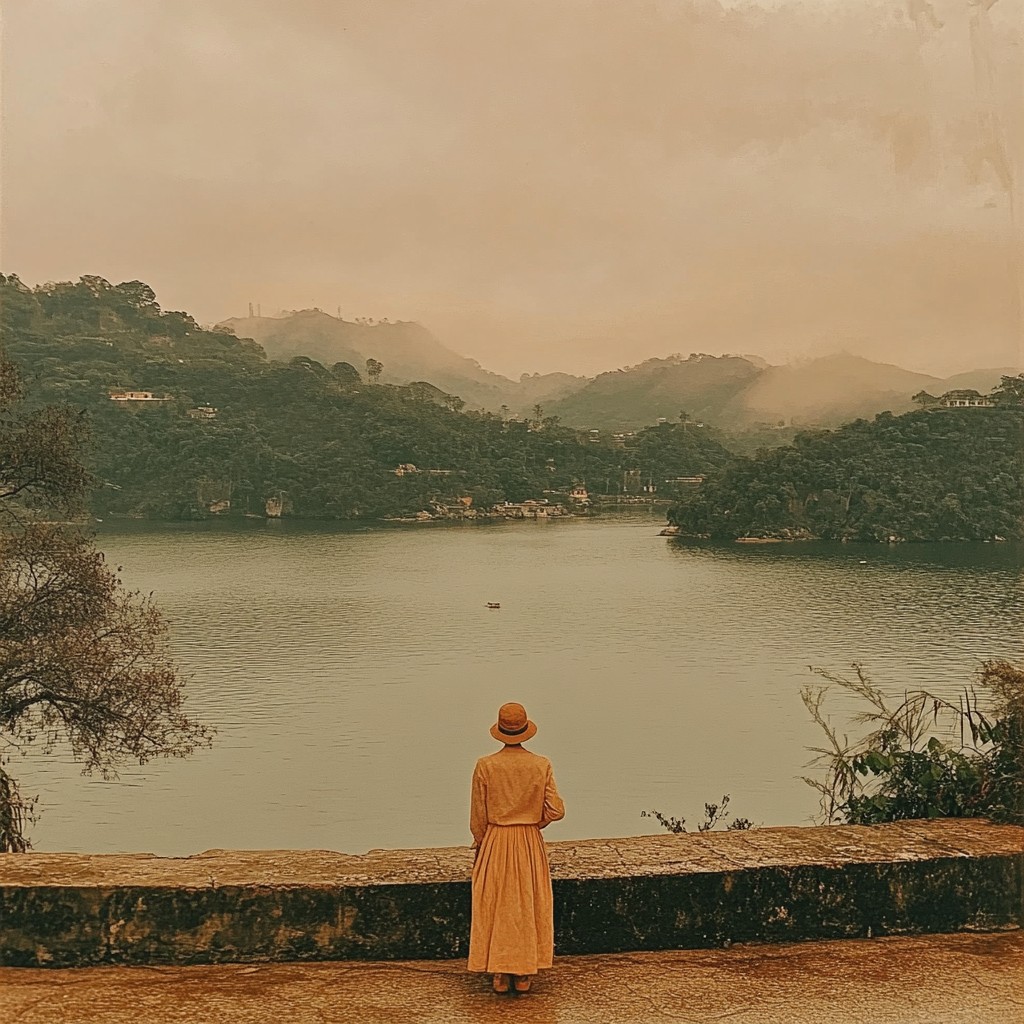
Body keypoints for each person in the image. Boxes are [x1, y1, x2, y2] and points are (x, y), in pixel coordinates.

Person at [468, 701, 565, 994]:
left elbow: (478, 815)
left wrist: (481, 842)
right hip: (527, 840)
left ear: (499, 731)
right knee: (526, 902)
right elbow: (556, 810)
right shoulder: (541, 764)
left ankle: (499, 973)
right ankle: (523, 974)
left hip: (496, 840)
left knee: (497, 904)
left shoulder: (486, 765)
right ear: (525, 730)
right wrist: (535, 822)